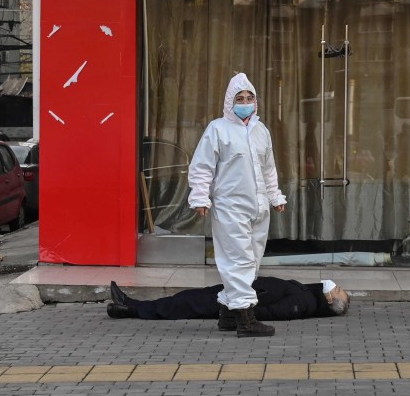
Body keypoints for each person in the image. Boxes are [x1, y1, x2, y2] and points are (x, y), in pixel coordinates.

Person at [188, 73, 287, 337]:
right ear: (229, 103)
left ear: (256, 102)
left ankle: (227, 313)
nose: (245, 102)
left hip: (259, 206)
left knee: (251, 260)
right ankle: (246, 319)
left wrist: (275, 196)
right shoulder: (218, 129)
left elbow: (268, 168)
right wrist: (200, 197)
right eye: (239, 98)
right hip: (230, 206)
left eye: (249, 98)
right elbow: (202, 166)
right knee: (238, 261)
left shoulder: (260, 130)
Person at [105, 277, 350, 322]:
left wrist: (241, 311)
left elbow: (275, 311)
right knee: (188, 297)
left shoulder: (305, 303)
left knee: (183, 306)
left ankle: (129, 308)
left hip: (237, 300)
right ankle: (131, 304)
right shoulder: (309, 294)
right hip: (238, 288)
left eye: (337, 289)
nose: (335, 285)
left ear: (330, 300)